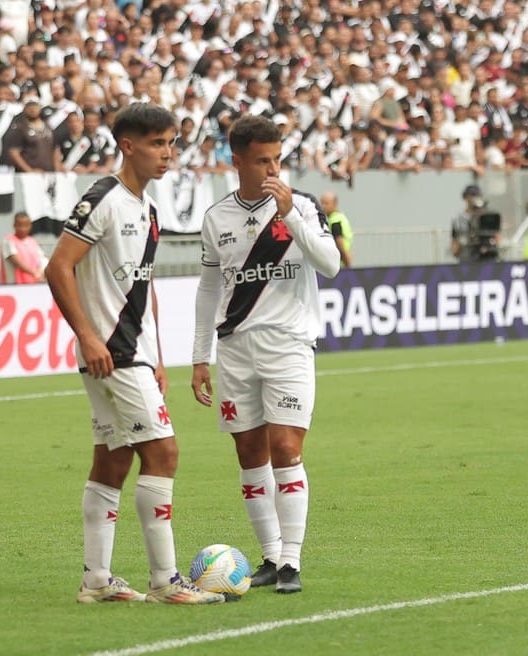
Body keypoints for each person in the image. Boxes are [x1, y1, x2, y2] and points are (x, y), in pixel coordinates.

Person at [45, 103, 223, 605]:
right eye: (157, 143)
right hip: (112, 352)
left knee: (114, 459)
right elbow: (58, 268)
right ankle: (166, 581)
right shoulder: (104, 197)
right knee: (163, 453)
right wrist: (87, 335)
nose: (168, 154)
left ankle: (97, 581)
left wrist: (159, 356)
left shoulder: (146, 208)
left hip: (133, 353)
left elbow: (144, 288)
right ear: (128, 145)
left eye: (172, 143)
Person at [191, 114, 341, 594]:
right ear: (237, 162)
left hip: (288, 345)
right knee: (248, 453)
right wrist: (199, 356)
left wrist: (291, 214)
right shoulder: (217, 218)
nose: (273, 169)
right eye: (262, 161)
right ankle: (271, 557)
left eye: (278, 159)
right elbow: (209, 287)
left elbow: (332, 264)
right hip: (235, 349)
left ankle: (293, 563)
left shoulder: (302, 205)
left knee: (286, 449)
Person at [1, 212, 46, 284]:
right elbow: (17, 262)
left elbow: (43, 259)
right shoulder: (8, 240)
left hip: (33, 284)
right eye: (19, 225)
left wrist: (42, 272)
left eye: (26, 225)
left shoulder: (33, 242)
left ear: (30, 225)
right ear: (14, 225)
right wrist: (35, 273)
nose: (22, 229)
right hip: (14, 285)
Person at [450, 184, 489, 263]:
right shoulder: (458, 220)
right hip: (467, 262)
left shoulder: (487, 216)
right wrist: (464, 242)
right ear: (465, 197)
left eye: (477, 195)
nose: (474, 198)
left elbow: (497, 239)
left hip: (486, 261)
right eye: (471, 195)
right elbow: (454, 250)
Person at [319, 191, 353, 268]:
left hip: (340, 263)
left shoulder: (335, 220)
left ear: (335, 204)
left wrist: (346, 260)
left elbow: (339, 241)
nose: (323, 206)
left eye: (326, 203)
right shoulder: (341, 217)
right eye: (322, 203)